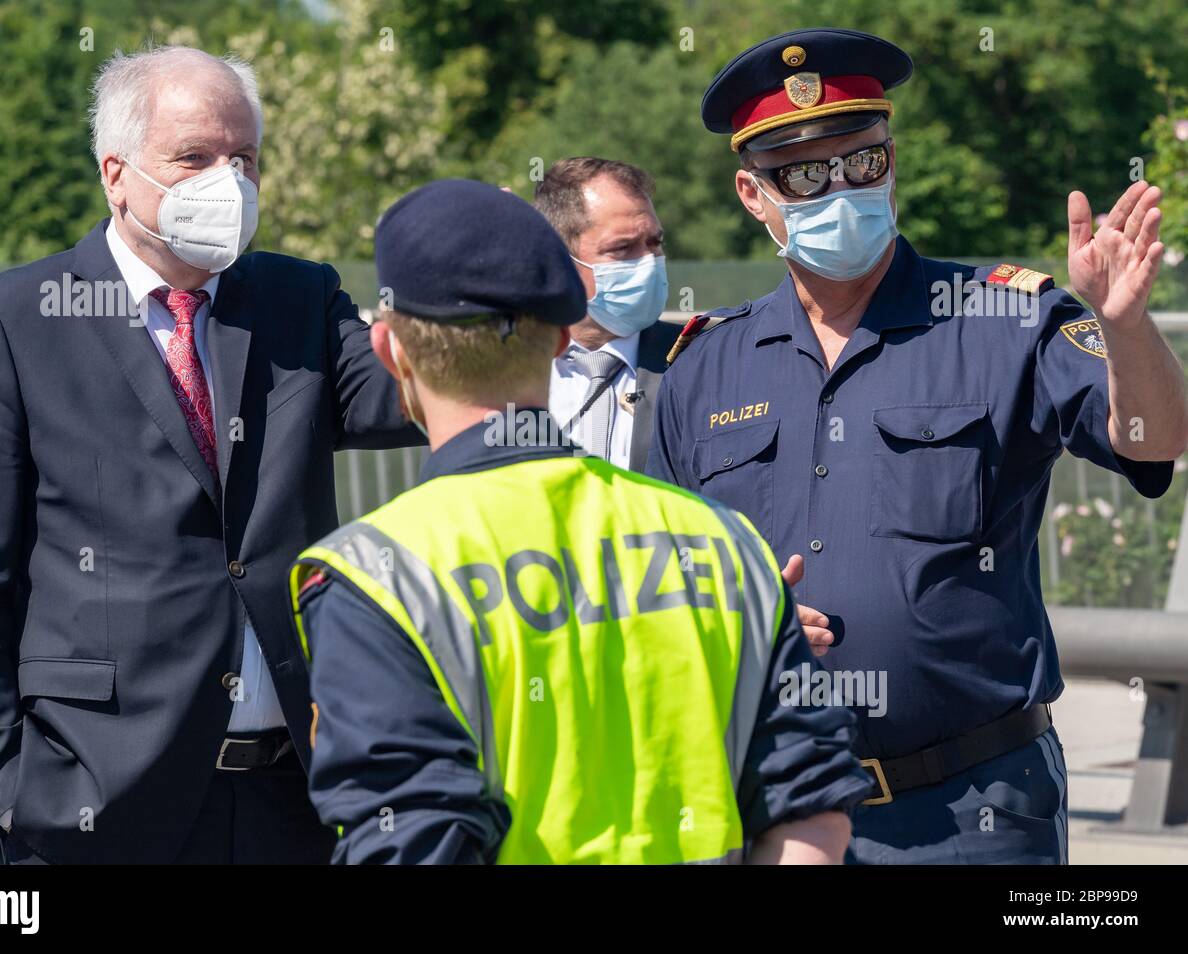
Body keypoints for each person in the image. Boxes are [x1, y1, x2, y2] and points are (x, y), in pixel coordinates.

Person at [647, 27, 1188, 864]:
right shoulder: (702, 367)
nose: (840, 190)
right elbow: (658, 580)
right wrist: (741, 623)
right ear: (755, 197)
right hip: (770, 807)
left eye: (861, 162)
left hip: (975, 810)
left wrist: (1124, 330)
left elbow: (1156, 442)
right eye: (804, 174)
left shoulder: (1006, 318)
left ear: (891, 161)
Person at [0, 46, 418, 864]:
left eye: (244, 158)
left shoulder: (299, 300)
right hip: (94, 811)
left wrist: (492, 294)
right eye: (194, 157)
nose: (229, 181)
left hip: (291, 805)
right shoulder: (10, 321)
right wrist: (3, 791)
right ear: (115, 174)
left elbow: (412, 395)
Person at [291, 178, 873, 864]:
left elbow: (409, 840)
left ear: (390, 351)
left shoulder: (376, 576)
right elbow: (813, 810)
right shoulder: (722, 542)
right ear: (562, 336)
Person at [533, 158, 676, 470]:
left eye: (654, 243)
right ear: (557, 257)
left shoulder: (697, 359)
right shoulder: (506, 365)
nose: (649, 261)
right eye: (623, 248)